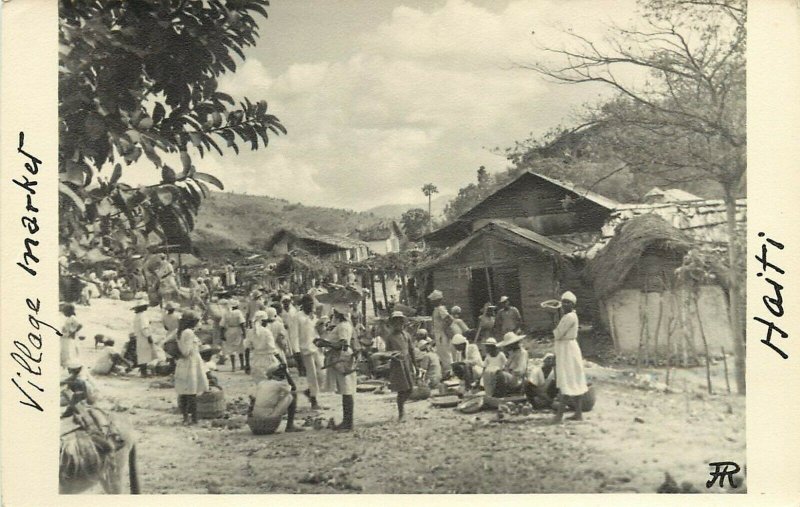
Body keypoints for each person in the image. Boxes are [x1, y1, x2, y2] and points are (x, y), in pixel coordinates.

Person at [552, 291, 589, 423]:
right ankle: (578, 413)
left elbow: (557, 334)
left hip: (567, 349)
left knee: (567, 380)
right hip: (567, 348)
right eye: (563, 302)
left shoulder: (568, 317)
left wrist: (554, 318)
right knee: (573, 379)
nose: (564, 305)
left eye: (568, 303)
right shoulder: (569, 316)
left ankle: (559, 415)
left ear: (572, 305)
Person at [320, 305, 357, 431]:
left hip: (342, 358)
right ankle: (346, 421)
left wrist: (325, 343)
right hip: (341, 357)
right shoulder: (342, 325)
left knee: (346, 390)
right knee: (345, 390)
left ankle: (348, 422)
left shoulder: (343, 326)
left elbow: (343, 345)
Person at [174, 310, 209, 425]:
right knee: (191, 393)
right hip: (190, 364)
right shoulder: (188, 333)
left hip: (185, 364)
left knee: (184, 391)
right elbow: (186, 351)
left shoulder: (181, 332)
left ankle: (185, 417)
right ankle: (193, 418)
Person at [384, 310, 417, 421]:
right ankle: (401, 412)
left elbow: (411, 350)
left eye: (400, 321)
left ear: (403, 322)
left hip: (407, 363)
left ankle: (402, 407)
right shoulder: (390, 337)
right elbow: (387, 352)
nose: (398, 324)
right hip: (397, 364)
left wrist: (415, 365)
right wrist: (392, 356)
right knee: (401, 389)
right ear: (392, 324)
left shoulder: (406, 335)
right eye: (395, 322)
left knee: (410, 388)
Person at [297, 294, 324, 410]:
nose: (311, 306)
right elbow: (294, 336)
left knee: (322, 373)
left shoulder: (314, 317)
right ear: (303, 305)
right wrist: (296, 352)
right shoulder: (298, 317)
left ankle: (309, 391)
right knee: (312, 375)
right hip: (305, 349)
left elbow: (317, 332)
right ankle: (314, 400)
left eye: (312, 304)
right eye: (308, 304)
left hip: (315, 347)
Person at [247, 310, 281, 383]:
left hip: (256, 359)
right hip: (268, 359)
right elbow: (272, 348)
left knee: (259, 382)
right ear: (262, 321)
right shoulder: (266, 332)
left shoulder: (250, 332)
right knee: (270, 382)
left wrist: (247, 364)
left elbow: (247, 347)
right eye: (265, 321)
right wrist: (281, 361)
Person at [493, 332, 529, 397]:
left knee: (501, 375)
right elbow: (506, 366)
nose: (507, 347)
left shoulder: (522, 353)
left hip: (518, 379)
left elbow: (520, 370)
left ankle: (501, 395)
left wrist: (507, 371)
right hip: (511, 377)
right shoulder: (513, 353)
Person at [428, 290, 454, 377]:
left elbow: (449, 319)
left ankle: (449, 371)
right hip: (438, 333)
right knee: (441, 352)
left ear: (437, 300)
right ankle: (447, 371)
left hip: (441, 334)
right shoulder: (436, 310)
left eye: (433, 300)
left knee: (445, 352)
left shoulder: (440, 309)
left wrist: (445, 327)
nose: (431, 302)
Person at [281, 295, 304, 376]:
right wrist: (284, 325)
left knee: (296, 349)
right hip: (286, 332)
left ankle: (301, 368)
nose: (286, 303)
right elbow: (281, 320)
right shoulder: (282, 311)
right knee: (287, 350)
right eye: (284, 302)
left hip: (294, 332)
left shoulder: (293, 310)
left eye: (287, 301)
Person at [222, 299, 247, 372]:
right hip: (237, 330)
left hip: (229, 330)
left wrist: (222, 334)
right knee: (240, 347)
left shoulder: (226, 313)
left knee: (230, 348)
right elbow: (242, 323)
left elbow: (222, 325)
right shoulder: (238, 312)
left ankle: (233, 367)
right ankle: (242, 365)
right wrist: (244, 332)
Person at [132, 303, 156, 377]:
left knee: (142, 355)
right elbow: (144, 328)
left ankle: (143, 372)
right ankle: (144, 373)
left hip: (139, 337)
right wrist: (148, 336)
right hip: (143, 337)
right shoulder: (143, 316)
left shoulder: (137, 316)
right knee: (145, 355)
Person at [60, 303, 82, 368]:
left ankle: (69, 363)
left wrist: (73, 332)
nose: (63, 313)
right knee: (65, 349)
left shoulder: (73, 318)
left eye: (64, 311)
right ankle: (65, 362)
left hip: (68, 336)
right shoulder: (69, 318)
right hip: (65, 335)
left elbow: (80, 325)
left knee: (68, 349)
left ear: (69, 311)